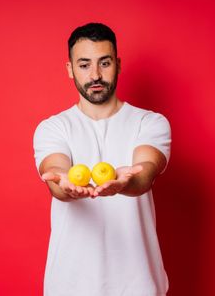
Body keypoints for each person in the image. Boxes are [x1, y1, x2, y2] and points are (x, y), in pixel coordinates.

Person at [33, 22, 171, 296]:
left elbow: (144, 174)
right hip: (68, 287)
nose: (95, 75)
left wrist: (124, 184)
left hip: (139, 286)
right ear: (70, 69)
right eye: (84, 65)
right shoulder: (53, 127)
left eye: (104, 63)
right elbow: (56, 173)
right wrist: (66, 185)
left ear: (118, 65)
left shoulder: (150, 122)